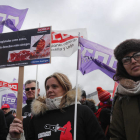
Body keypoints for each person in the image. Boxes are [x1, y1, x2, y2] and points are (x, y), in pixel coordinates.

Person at [8, 72, 107, 140]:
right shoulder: (38, 116)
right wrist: (15, 137)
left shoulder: (82, 111)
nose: (49, 90)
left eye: (54, 86)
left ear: (65, 88)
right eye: (47, 87)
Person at [109, 39, 140, 140]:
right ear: (122, 67)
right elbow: (116, 135)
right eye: (126, 60)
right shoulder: (121, 97)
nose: (133, 61)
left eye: (137, 55)